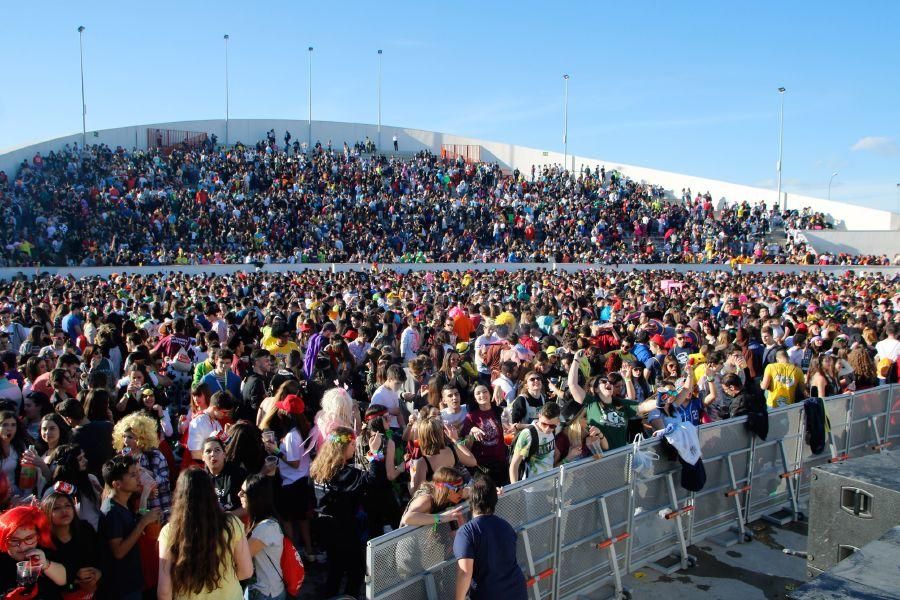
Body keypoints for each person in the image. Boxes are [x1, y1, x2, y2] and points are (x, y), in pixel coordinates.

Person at [157, 468, 253, 600]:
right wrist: (225, 578)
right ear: (211, 493)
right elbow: (246, 571)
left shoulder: (169, 532)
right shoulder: (231, 523)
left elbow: (164, 591)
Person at [309, 426, 381, 599]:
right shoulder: (344, 473)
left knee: (335, 569)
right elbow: (371, 481)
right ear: (342, 447)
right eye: (352, 444)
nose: (354, 448)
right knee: (355, 570)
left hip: (323, 526)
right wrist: (374, 453)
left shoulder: (318, 467)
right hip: (342, 528)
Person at [453, 475, 527, 600]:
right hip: (517, 591)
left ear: (471, 501)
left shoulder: (466, 533)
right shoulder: (506, 526)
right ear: (495, 500)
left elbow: (465, 573)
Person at [99, 455, 162, 600]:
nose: (138, 478)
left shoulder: (123, 504)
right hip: (121, 588)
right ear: (117, 484)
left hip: (132, 582)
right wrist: (143, 523)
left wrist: (145, 498)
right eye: (133, 475)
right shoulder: (111, 511)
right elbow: (119, 552)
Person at [40, 486, 103, 598]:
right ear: (46, 512)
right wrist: (74, 578)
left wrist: (98, 572)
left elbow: (101, 555)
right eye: (56, 508)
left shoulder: (85, 529)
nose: (64, 511)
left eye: (68, 506)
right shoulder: (43, 542)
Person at [113, 412, 173, 520]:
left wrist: (144, 472)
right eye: (124, 436)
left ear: (142, 437)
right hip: (134, 512)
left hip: (158, 511)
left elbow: (165, 485)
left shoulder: (156, 456)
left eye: (130, 437)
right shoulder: (123, 458)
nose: (126, 441)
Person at [0, 505, 68, 599]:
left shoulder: (44, 551)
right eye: (14, 540)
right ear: (3, 540)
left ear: (38, 536)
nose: (23, 546)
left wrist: (45, 564)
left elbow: (64, 580)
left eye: (29, 538)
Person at [239, 474, 287, 600]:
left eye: (243, 492)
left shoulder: (266, 528)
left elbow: (241, 557)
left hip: (266, 593)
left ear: (256, 497)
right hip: (262, 590)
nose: (239, 494)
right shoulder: (260, 521)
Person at [508, 402, 561, 483]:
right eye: (544, 424)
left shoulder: (555, 429)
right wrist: (515, 490)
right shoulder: (527, 434)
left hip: (550, 483)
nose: (547, 429)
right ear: (539, 416)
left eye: (552, 426)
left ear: (558, 421)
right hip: (531, 486)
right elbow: (514, 465)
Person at [399, 466, 467, 527]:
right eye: (457, 488)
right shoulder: (427, 499)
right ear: (443, 488)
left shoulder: (455, 494)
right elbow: (407, 518)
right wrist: (441, 517)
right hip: (408, 538)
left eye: (462, 487)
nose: (461, 492)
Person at [201, 436, 247, 517]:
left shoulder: (237, 474)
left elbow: (250, 506)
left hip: (236, 521)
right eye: (208, 451)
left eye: (217, 450)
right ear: (203, 457)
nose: (213, 454)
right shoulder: (201, 478)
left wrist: (226, 517)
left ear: (224, 454)